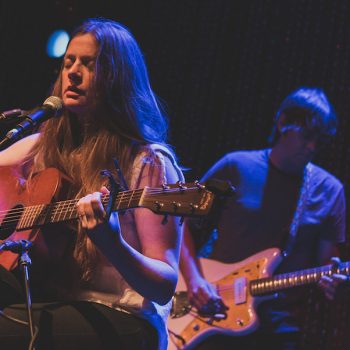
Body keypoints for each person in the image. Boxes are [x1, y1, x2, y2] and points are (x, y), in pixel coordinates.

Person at [0, 18, 184, 350]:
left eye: (89, 64)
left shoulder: (148, 162)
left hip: (124, 319)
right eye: (68, 62)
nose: (72, 72)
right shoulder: (46, 146)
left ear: (117, 78)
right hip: (57, 304)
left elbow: (164, 285)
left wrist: (112, 242)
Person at [176, 87, 346, 350]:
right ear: (283, 122)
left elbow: (327, 264)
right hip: (214, 309)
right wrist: (194, 280)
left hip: (279, 325)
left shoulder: (330, 190)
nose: (312, 147)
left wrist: (333, 279)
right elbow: (181, 224)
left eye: (320, 141)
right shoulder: (236, 166)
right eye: (307, 136)